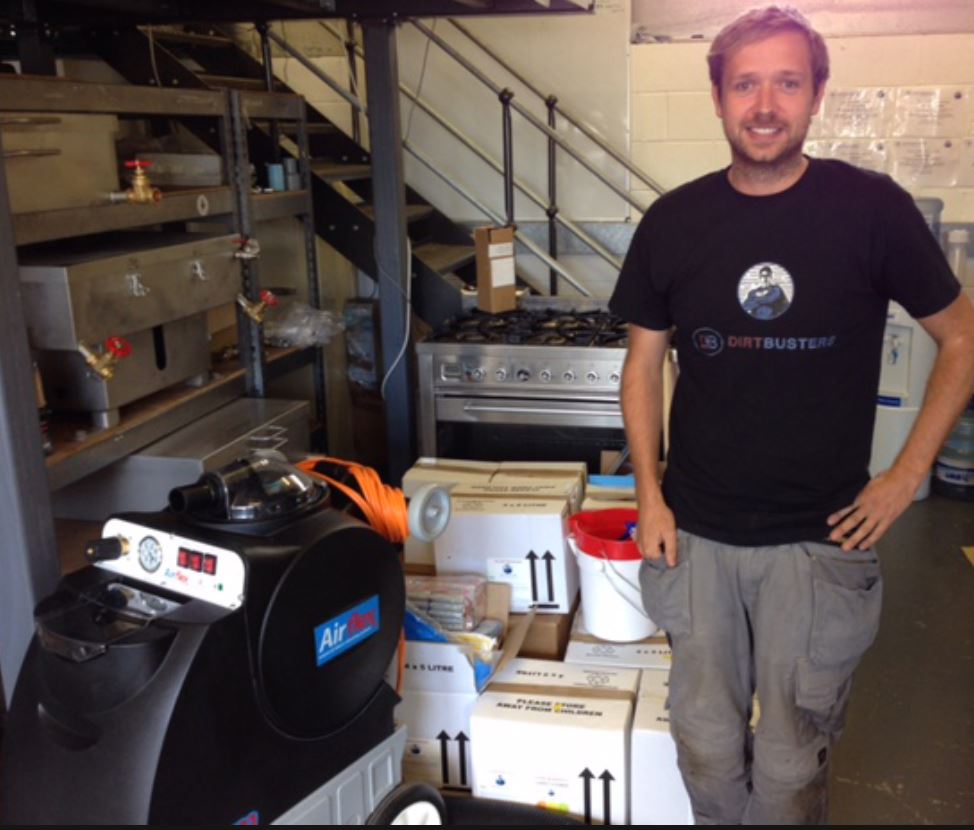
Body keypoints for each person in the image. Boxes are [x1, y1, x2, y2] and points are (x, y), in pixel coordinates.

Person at [609, 4, 974, 825]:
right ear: (718, 98)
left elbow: (963, 336)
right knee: (704, 741)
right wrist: (649, 494)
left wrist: (906, 475)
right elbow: (642, 364)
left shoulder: (871, 210)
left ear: (816, 95)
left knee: (787, 760)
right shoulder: (675, 221)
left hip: (818, 539)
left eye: (787, 83)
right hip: (696, 534)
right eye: (746, 85)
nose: (766, 105)